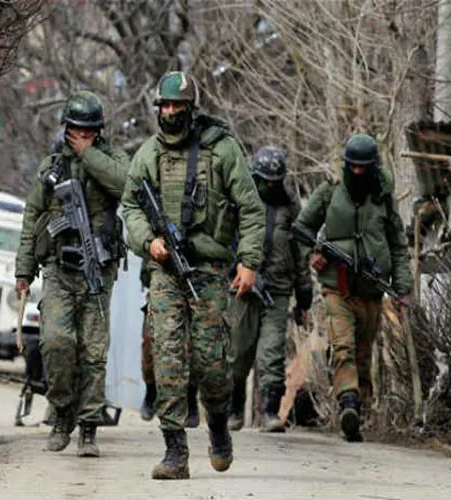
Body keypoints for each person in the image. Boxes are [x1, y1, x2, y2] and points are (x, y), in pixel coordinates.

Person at [121, 71, 265, 480]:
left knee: (211, 363)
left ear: (191, 108)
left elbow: (251, 209)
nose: (171, 112)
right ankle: (175, 451)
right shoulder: (149, 154)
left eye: (178, 106)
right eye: (165, 105)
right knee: (167, 358)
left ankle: (218, 424)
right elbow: (131, 206)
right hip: (165, 272)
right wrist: (148, 241)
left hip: (210, 270)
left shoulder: (222, 151)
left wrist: (249, 262)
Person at [15, 90, 129, 457]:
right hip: (58, 268)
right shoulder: (51, 165)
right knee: (56, 342)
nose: (81, 136)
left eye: (88, 131)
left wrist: (88, 155)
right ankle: (63, 411)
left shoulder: (112, 159)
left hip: (98, 268)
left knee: (93, 351)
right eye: (75, 130)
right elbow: (32, 217)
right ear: (65, 128)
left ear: (98, 131)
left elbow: (125, 185)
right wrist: (24, 269)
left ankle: (89, 426)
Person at [295, 133, 413, 442]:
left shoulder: (383, 198)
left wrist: (403, 288)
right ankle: (347, 401)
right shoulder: (329, 192)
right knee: (342, 346)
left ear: (373, 167)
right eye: (353, 167)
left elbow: (399, 246)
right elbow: (302, 227)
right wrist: (313, 253)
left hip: (372, 289)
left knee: (363, 353)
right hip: (337, 287)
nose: (358, 172)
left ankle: (358, 408)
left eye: (364, 167)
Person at [228, 147, 313, 433]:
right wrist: (235, 266)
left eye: (275, 181)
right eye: (265, 180)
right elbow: (224, 239)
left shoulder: (290, 206)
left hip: (277, 288)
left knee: (272, 351)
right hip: (241, 287)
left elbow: (300, 251)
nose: (270, 186)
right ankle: (234, 408)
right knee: (237, 351)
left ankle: (269, 410)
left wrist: (304, 295)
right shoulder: (239, 199)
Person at [139, 267, 201, 427]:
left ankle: (191, 399)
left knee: (195, 348)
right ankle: (151, 391)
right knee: (150, 347)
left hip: (194, 288)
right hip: (161, 285)